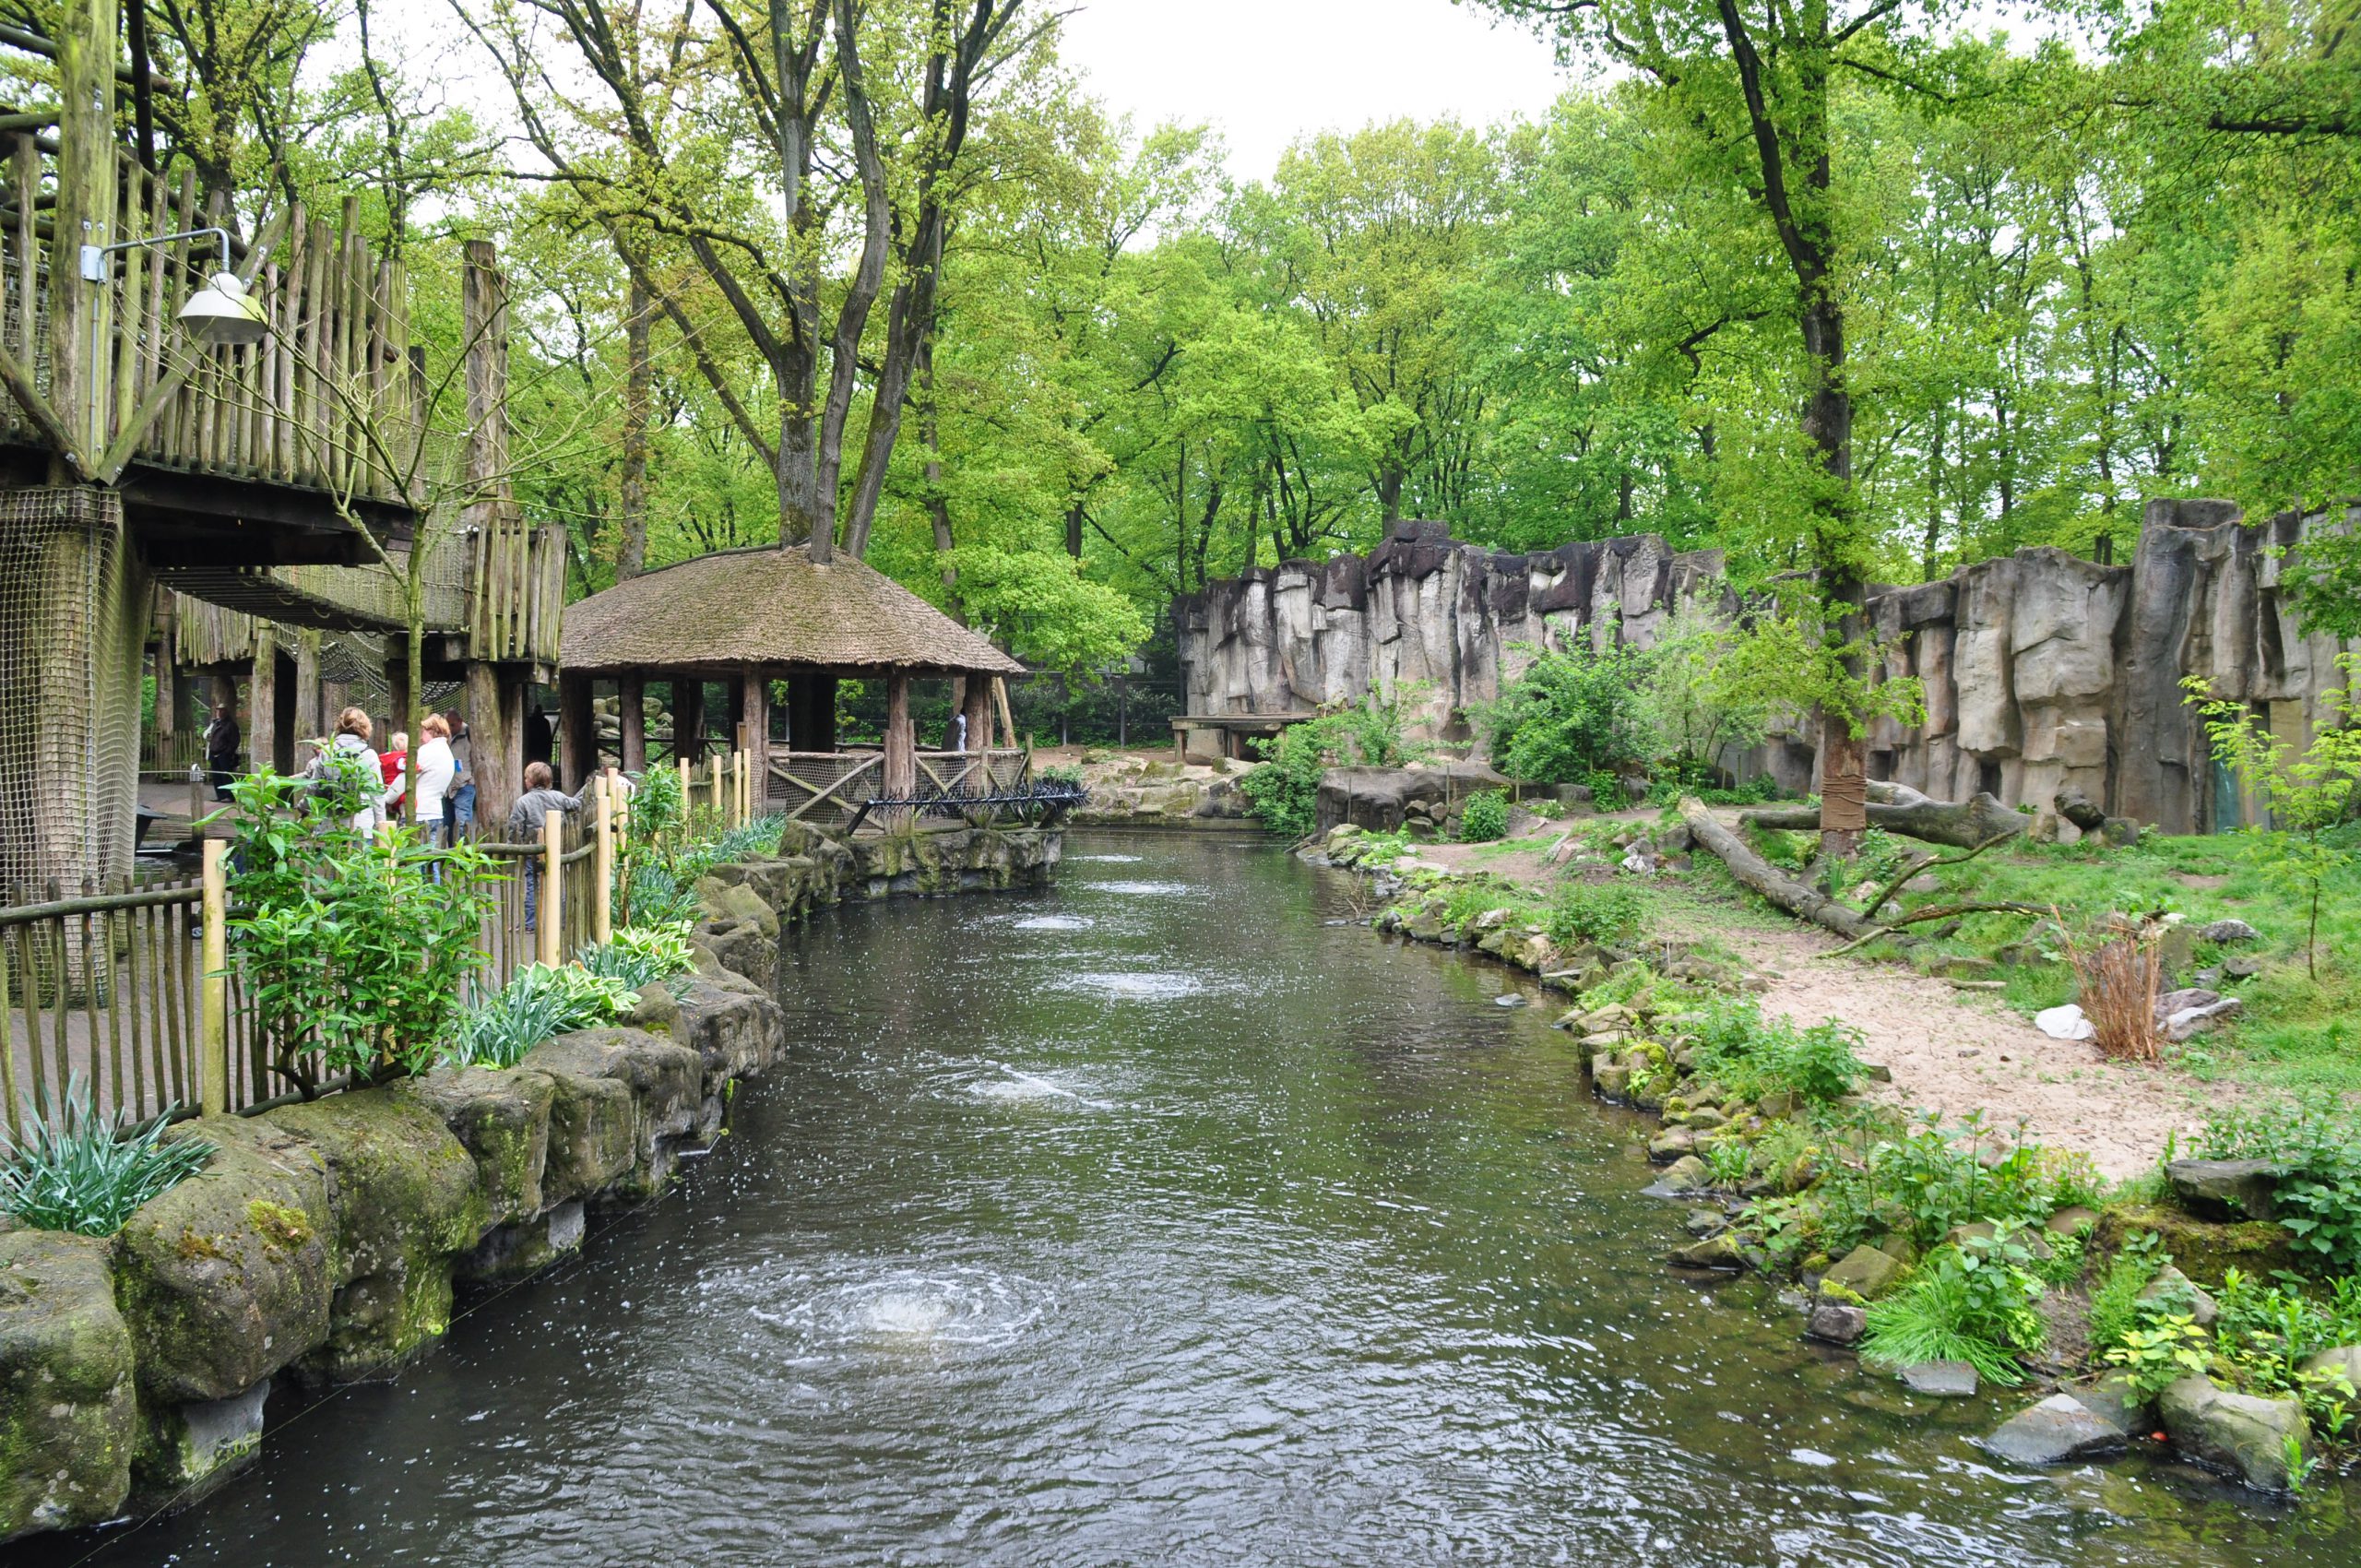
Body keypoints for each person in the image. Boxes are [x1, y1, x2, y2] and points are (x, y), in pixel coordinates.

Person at [506, 760, 582, 932]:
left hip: (533, 850)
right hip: (556, 848)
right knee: (559, 883)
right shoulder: (559, 797)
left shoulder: (523, 802)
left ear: (531, 781)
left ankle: (530, 923)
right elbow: (577, 805)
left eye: (526, 778)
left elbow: (515, 826)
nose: (524, 781)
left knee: (532, 885)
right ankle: (562, 921)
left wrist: (511, 846)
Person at [304, 707, 385, 835]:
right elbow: (377, 793)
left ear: (340, 725)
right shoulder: (369, 754)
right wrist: (382, 824)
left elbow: (314, 786)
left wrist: (304, 806)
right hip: (361, 825)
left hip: (330, 825)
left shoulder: (327, 751)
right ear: (365, 727)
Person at [413, 715, 457, 847]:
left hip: (420, 812)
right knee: (432, 857)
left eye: (423, 732)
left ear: (432, 731)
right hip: (436, 811)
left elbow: (409, 778)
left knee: (416, 858)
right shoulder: (447, 753)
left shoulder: (427, 751)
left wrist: (388, 798)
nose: (421, 737)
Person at [446, 713, 478, 838]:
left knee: (462, 822)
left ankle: (464, 854)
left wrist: (471, 778)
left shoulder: (470, 734)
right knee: (447, 824)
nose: (450, 728)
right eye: (448, 725)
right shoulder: (445, 736)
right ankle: (448, 854)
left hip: (465, 784)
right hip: (448, 786)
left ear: (460, 721)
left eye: (452, 725)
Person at [204, 701, 241, 801]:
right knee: (216, 776)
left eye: (222, 710)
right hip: (214, 752)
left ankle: (229, 796)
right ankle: (220, 796)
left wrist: (227, 752)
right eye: (218, 710)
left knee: (226, 776)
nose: (220, 712)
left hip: (224, 754)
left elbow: (235, 741)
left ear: (226, 712)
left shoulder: (231, 725)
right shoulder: (216, 723)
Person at [379, 731, 409, 820]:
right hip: (400, 794)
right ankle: (404, 820)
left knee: (390, 820)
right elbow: (403, 766)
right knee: (408, 805)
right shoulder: (401, 758)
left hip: (389, 789)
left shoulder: (387, 758)